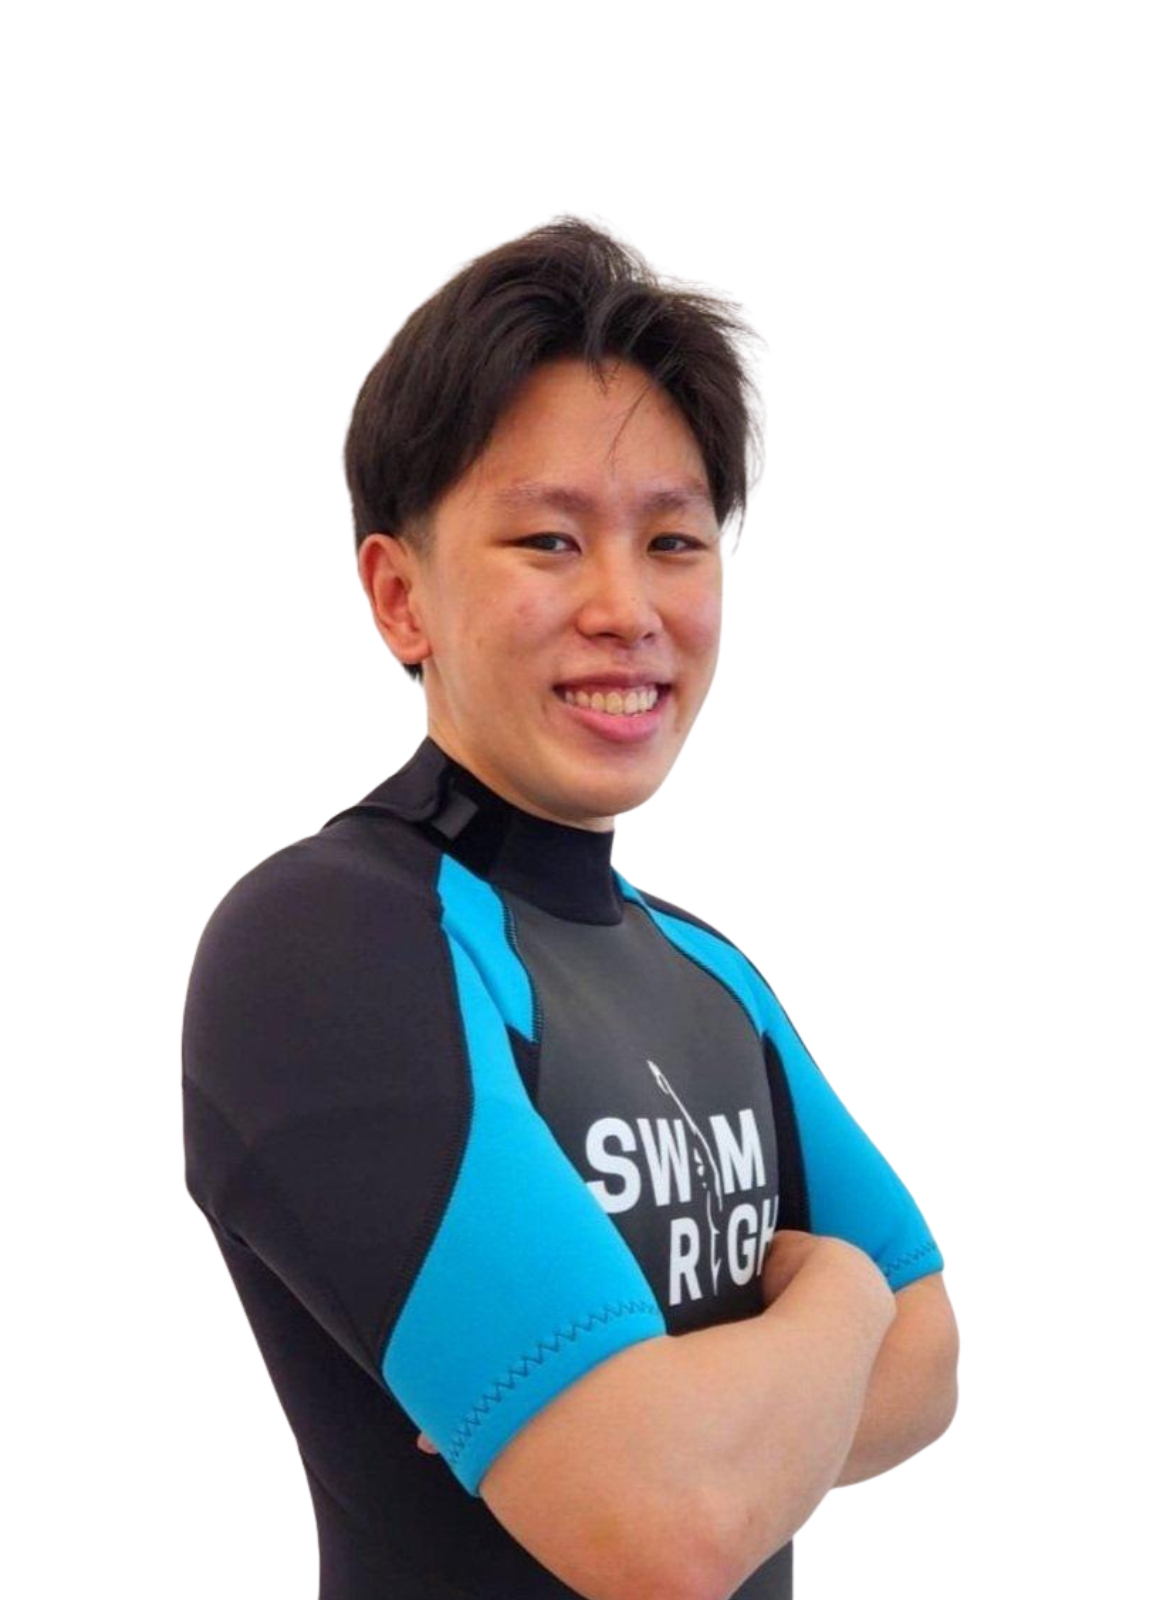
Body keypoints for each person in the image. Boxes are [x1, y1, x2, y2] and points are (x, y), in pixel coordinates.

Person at [182, 215, 959, 1600]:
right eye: (548, 540)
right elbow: (664, 1522)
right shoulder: (325, 948)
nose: (626, 607)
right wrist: (833, 1296)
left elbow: (934, 1366)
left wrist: (677, 1402)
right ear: (397, 592)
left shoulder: (711, 973)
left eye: (674, 541)